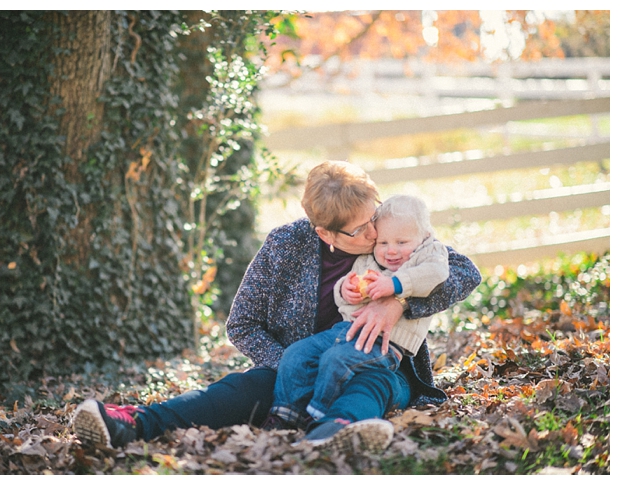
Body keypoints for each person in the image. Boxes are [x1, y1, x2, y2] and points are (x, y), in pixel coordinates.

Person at [72, 160, 481, 453]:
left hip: (382, 362)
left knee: (366, 386)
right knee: (235, 392)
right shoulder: (286, 247)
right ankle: (133, 422)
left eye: (374, 217)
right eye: (361, 229)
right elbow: (243, 324)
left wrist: (398, 303)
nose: (376, 232)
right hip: (294, 371)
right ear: (325, 233)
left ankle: (332, 432)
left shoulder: (394, 234)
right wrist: (291, 365)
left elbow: (462, 271)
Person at [267, 194, 450, 430]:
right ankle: (284, 415)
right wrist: (346, 290)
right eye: (383, 243)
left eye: (401, 243)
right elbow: (346, 291)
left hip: (386, 343)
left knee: (336, 361)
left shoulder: (429, 253)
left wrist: (395, 285)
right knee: (296, 354)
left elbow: (436, 274)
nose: (391, 251)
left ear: (423, 237)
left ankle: (316, 416)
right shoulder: (369, 257)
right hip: (345, 330)